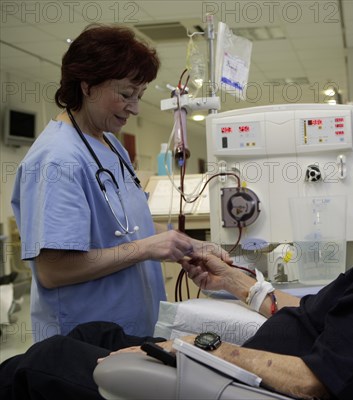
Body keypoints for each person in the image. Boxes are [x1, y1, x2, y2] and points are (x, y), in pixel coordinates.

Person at [1, 122, 353, 399]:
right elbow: (312, 319)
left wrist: (202, 346)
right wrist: (237, 282)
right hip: (248, 364)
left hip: (247, 388)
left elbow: (316, 381)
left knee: (48, 361)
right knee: (93, 334)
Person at [9, 24, 229, 343]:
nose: (135, 107)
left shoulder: (112, 146)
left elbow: (128, 228)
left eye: (139, 96)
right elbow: (53, 270)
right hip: (84, 343)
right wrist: (146, 249)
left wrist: (186, 245)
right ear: (87, 86)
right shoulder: (57, 160)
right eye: (126, 94)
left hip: (131, 329)